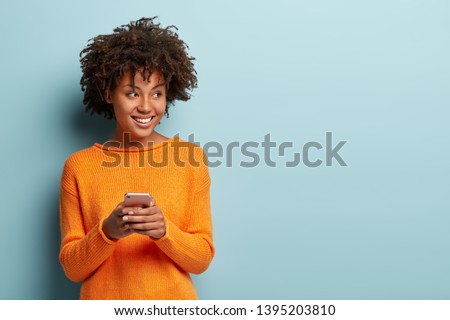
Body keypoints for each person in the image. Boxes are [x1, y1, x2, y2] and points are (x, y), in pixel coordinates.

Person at [59, 17, 214, 300]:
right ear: (108, 93)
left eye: (157, 93)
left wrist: (165, 231)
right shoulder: (79, 167)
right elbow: (72, 268)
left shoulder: (190, 160)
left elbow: (201, 259)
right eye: (132, 93)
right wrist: (107, 232)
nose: (145, 106)